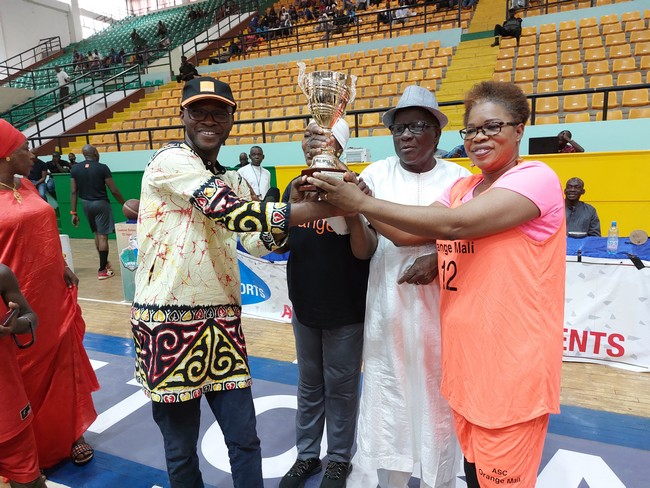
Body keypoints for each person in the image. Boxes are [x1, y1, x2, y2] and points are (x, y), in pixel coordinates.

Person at [311, 80, 566, 488]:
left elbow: (454, 224)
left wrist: (362, 203)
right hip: (464, 368)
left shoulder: (536, 177)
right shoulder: (463, 187)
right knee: (471, 473)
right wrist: (354, 193)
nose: (479, 137)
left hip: (511, 371)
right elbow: (404, 234)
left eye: (492, 126)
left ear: (519, 129)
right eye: (472, 130)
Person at [130, 76, 348, 488]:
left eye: (219, 111)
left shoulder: (236, 180)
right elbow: (228, 212)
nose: (209, 120)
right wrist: (305, 208)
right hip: (166, 325)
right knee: (180, 451)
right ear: (183, 116)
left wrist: (301, 202)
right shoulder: (170, 160)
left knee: (245, 440)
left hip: (222, 326)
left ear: (232, 119)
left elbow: (255, 242)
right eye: (199, 111)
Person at [0, 119, 99, 469]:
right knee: (21, 372)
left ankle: (72, 432)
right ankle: (28, 447)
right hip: (14, 302)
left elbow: (45, 230)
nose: (31, 154)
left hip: (52, 294)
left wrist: (61, 265)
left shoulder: (26, 184)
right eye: (23, 149)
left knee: (63, 361)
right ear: (6, 156)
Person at [278, 120, 372, 488]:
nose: (313, 143)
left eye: (323, 137)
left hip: (346, 309)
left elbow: (364, 252)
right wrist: (293, 206)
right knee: (309, 384)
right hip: (304, 305)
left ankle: (337, 460)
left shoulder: (358, 186)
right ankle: (306, 457)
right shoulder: (294, 185)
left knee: (342, 388)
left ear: (339, 144)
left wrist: (351, 211)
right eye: (309, 137)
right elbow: (281, 244)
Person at [0, 264, 44, 488]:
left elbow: (31, 318)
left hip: (7, 407)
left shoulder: (1, 273)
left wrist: (14, 325)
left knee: (29, 482)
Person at [70, 144, 126, 280]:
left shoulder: (75, 169)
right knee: (103, 237)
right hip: (101, 204)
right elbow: (114, 190)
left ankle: (104, 263)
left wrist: (73, 212)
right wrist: (124, 203)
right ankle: (102, 270)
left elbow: (73, 191)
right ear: (95, 153)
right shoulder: (102, 167)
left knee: (97, 234)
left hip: (85, 204)